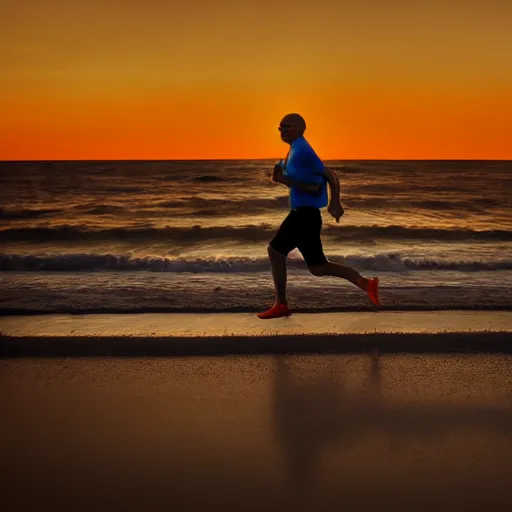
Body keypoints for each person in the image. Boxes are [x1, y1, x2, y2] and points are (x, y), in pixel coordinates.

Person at [257, 113, 380, 319]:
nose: (282, 131)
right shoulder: (295, 150)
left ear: (299, 128)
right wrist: (280, 178)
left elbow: (321, 182)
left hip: (304, 214)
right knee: (318, 267)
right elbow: (309, 179)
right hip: (307, 215)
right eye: (279, 128)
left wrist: (334, 202)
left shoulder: (303, 151)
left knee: (275, 251)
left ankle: (281, 304)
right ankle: (366, 284)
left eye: (286, 127)